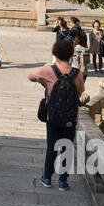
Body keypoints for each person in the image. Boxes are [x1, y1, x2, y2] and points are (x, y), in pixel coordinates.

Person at [31, 39, 86, 190]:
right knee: (66, 147)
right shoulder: (77, 73)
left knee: (51, 147)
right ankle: (63, 181)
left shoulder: (49, 70)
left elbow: (31, 76)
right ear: (71, 55)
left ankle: (47, 178)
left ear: (55, 54)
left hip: (53, 116)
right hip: (70, 117)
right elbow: (80, 92)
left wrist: (44, 82)